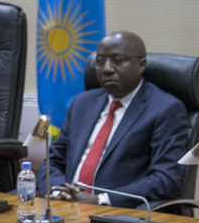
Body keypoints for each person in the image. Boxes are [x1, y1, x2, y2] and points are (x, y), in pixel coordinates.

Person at [37, 31, 188, 207]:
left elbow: (166, 179)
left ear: (141, 64)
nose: (107, 69)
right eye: (100, 62)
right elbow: (55, 158)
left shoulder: (165, 109)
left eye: (118, 60)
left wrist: (101, 199)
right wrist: (57, 189)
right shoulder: (82, 102)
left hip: (116, 215)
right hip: (65, 206)